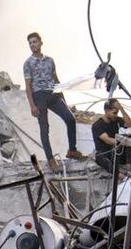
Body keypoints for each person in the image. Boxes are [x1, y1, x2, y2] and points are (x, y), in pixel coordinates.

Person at [23, 32, 85, 163]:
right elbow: (28, 86)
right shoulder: (28, 63)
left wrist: (63, 98)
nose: (32, 44)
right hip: (39, 95)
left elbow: (56, 80)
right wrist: (32, 105)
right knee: (44, 128)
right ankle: (50, 159)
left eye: (34, 41)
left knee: (70, 119)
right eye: (30, 43)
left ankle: (72, 150)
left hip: (53, 93)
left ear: (40, 42)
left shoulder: (50, 60)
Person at [92, 98, 129, 174]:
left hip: (117, 152)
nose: (116, 115)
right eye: (114, 113)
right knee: (99, 156)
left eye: (117, 113)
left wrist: (121, 108)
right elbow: (107, 140)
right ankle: (118, 175)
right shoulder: (97, 125)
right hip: (106, 153)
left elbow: (129, 124)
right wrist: (123, 142)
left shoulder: (117, 120)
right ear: (106, 111)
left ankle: (130, 168)